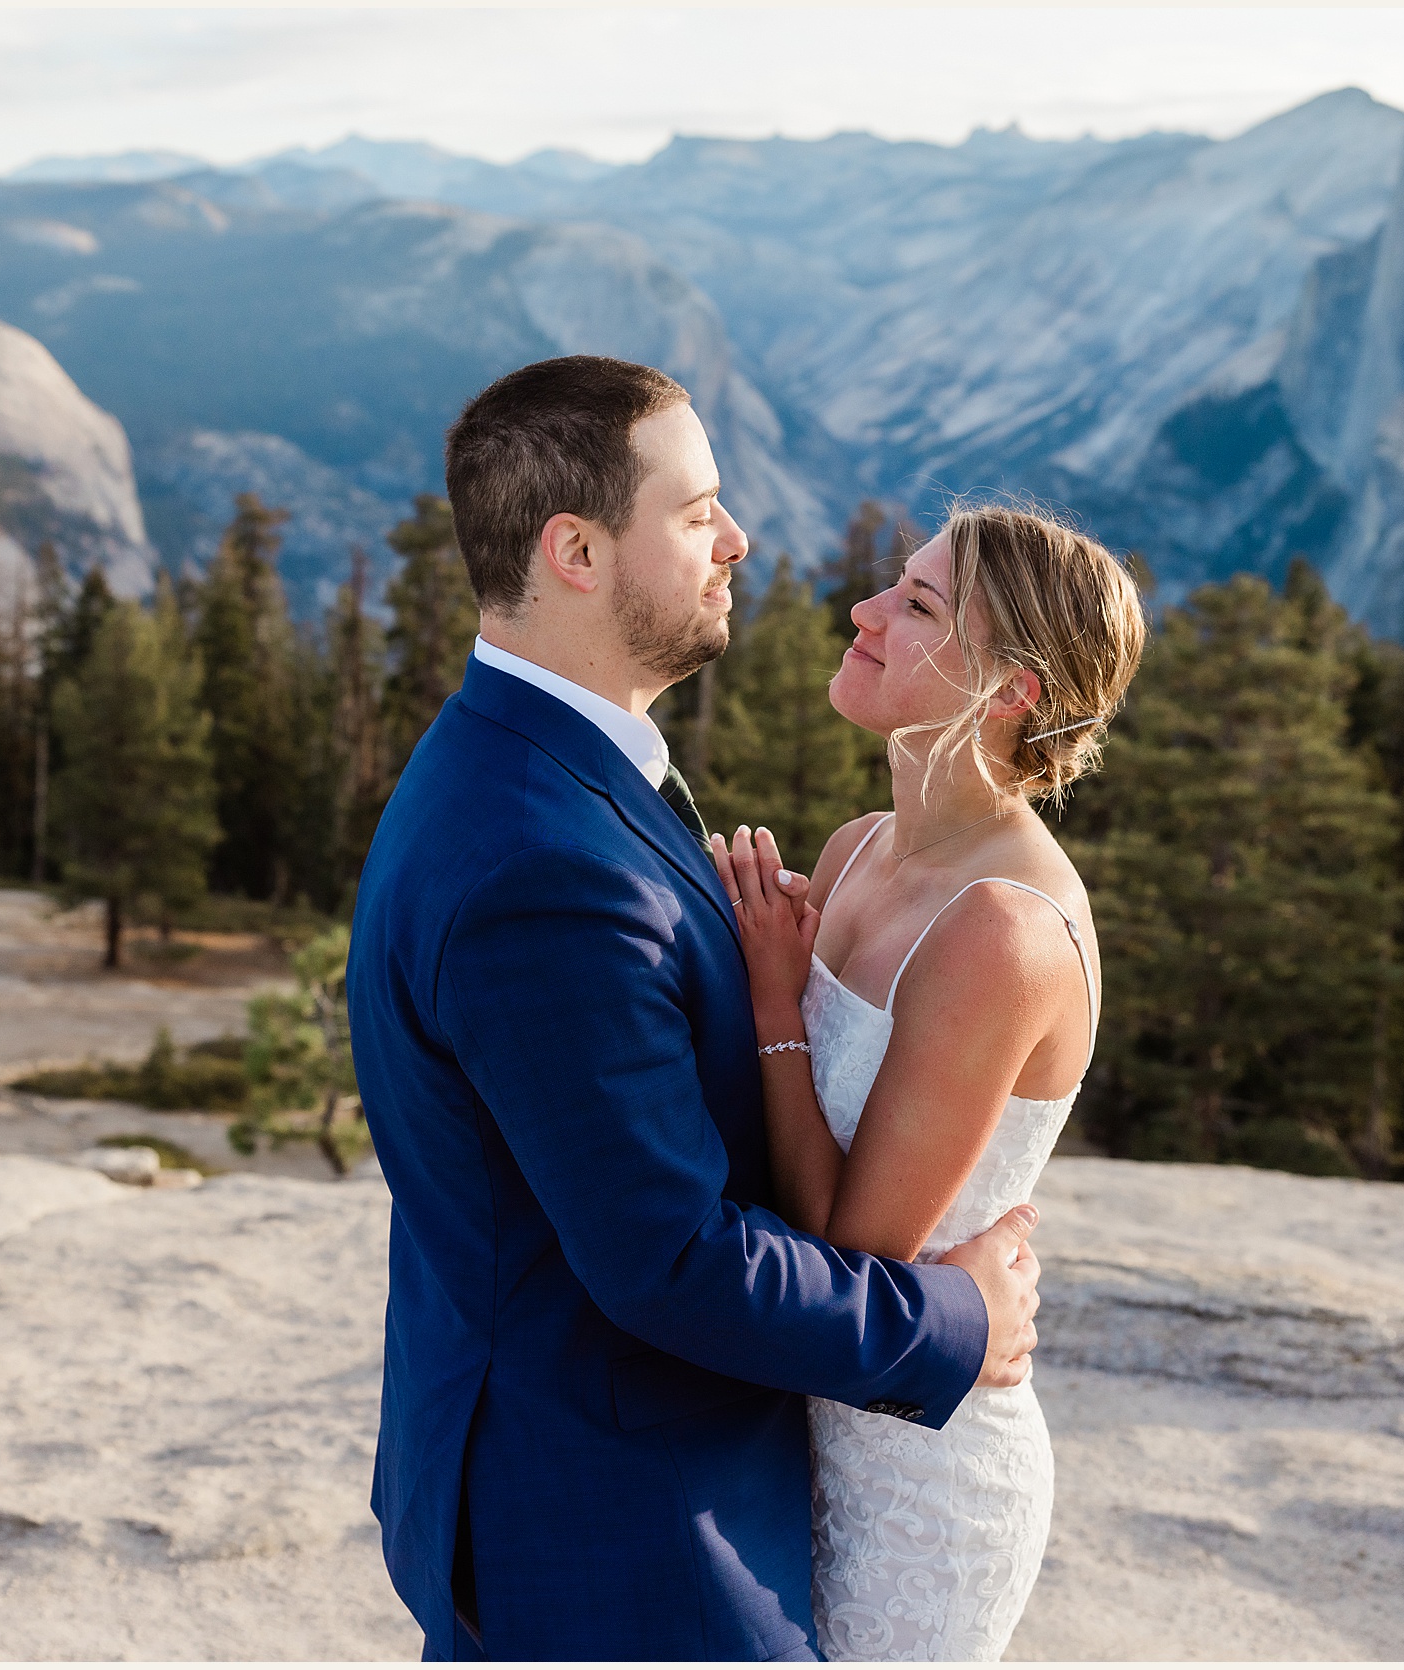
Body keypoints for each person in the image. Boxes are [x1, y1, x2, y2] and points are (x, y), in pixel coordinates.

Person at [348, 356, 1045, 1661]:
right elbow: (668, 1261)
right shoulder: (539, 866)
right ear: (575, 550)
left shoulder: (536, 764)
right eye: (696, 512)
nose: (738, 540)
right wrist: (956, 1320)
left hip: (581, 1492)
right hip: (624, 1544)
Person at [710, 504, 1147, 1658]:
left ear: (1014, 690)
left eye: (915, 607)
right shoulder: (859, 847)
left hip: (920, 1484)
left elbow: (850, 1251)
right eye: (890, 586)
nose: (862, 612)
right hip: (790, 1428)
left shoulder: (999, 931)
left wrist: (769, 997)